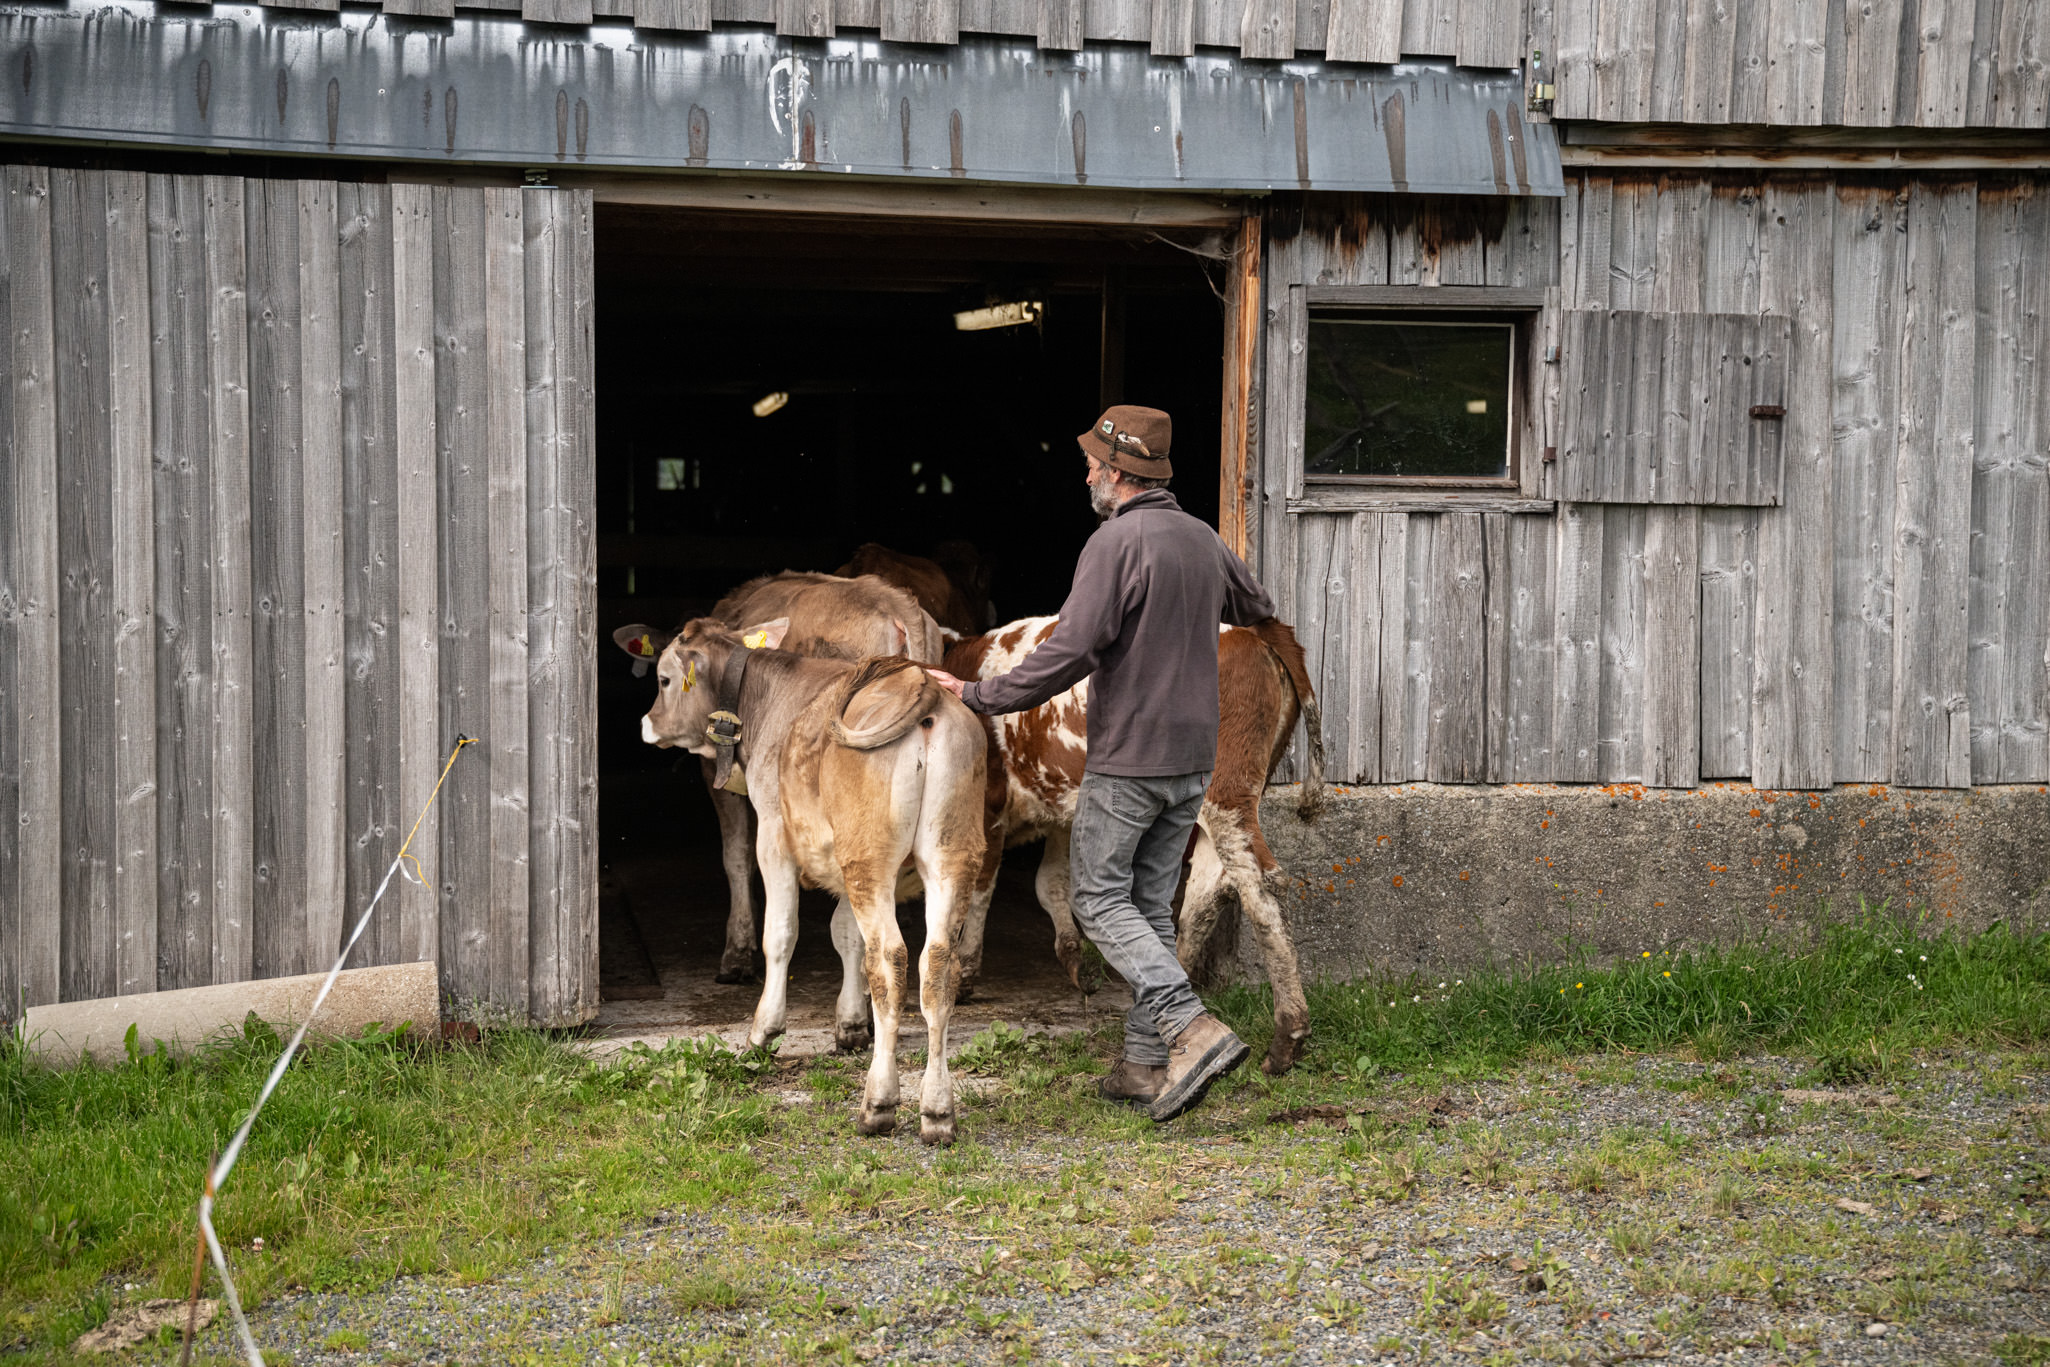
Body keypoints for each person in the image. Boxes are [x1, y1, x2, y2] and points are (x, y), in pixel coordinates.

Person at [925, 405, 1278, 1122]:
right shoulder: (1202, 538)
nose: (1086, 470)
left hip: (1130, 757)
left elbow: (1068, 653)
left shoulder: (1114, 544)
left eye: (1093, 461)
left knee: (1094, 898)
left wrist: (979, 693)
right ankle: (1145, 1066)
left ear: (1119, 472)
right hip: (1189, 759)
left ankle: (1190, 1024)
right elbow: (1257, 604)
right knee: (1148, 906)